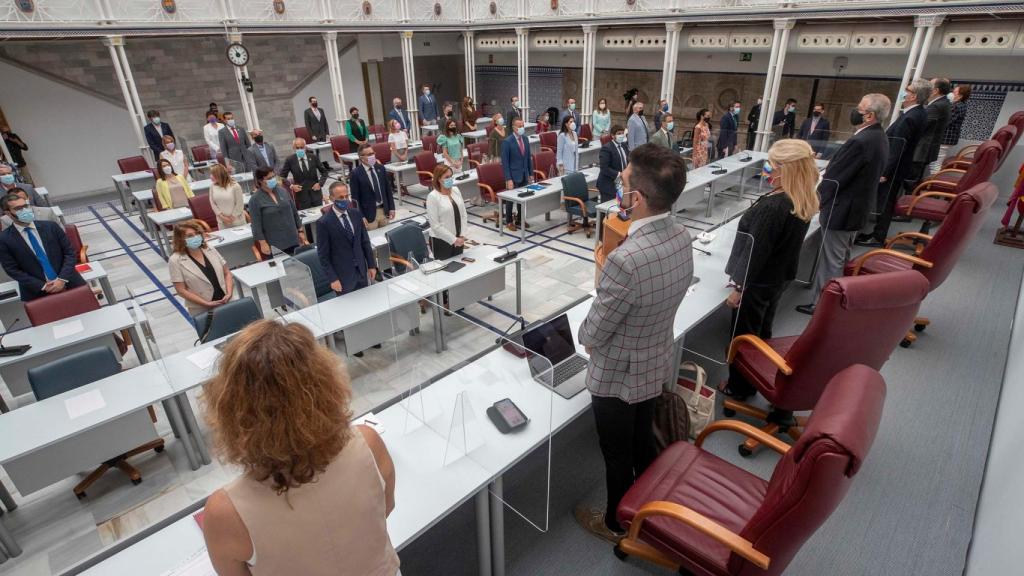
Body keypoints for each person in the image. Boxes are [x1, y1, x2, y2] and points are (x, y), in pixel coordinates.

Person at [201, 320, 399, 576]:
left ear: (230, 409)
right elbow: (385, 509)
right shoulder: (369, 443)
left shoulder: (225, 512)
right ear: (327, 383)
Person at [574, 143, 693, 542]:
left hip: (618, 377)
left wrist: (604, 276)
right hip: (653, 361)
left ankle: (615, 523)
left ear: (636, 198)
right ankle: (647, 507)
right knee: (642, 442)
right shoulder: (681, 235)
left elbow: (591, 333)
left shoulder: (627, 260)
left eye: (623, 180)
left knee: (616, 454)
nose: (618, 183)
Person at [720, 139, 819, 398]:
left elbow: (757, 253)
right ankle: (754, 377)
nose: (767, 168)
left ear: (785, 169)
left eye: (772, 164)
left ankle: (739, 388)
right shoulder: (801, 197)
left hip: (756, 283)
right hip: (777, 279)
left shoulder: (774, 207)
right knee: (762, 330)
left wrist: (739, 288)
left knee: (743, 337)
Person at [795, 93, 890, 315]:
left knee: (831, 260)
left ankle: (823, 306)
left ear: (869, 115)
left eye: (859, 108)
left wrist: (815, 201)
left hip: (843, 210)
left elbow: (835, 179)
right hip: (857, 208)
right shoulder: (878, 136)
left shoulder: (860, 141)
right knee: (841, 255)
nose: (854, 111)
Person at [856, 79, 929, 246]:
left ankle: (878, 236)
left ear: (913, 96)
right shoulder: (916, 113)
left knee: (885, 203)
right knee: (885, 202)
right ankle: (875, 233)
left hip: (893, 170)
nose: (904, 92)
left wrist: (884, 172)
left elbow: (897, 147)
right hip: (898, 167)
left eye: (907, 90)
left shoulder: (911, 116)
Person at [0, 192, 85, 301]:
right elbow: (12, 269)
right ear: (8, 213)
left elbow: (70, 253)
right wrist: (43, 286)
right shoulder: (4, 239)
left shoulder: (51, 227)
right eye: (18, 208)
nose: (25, 210)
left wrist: (62, 279)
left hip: (69, 281)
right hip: (37, 291)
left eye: (26, 206)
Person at [316, 182, 377, 296]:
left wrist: (371, 265)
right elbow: (323, 255)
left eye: (347, 196)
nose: (345, 200)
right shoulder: (323, 223)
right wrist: (333, 279)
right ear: (331, 198)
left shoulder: (356, 214)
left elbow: (365, 242)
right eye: (341, 197)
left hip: (362, 271)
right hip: (342, 276)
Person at [168, 219, 233, 316]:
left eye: (197, 233)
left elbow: (227, 273)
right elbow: (181, 290)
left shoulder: (210, 249)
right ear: (180, 239)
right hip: (202, 309)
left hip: (226, 301)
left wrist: (229, 293)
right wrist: (206, 303)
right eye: (190, 236)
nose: (195, 237)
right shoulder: (175, 260)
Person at [249, 166, 305, 257]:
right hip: (274, 243)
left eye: (273, 176)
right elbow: (256, 224)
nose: (273, 179)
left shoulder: (283, 191)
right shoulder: (255, 200)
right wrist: (262, 243)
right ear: (260, 181)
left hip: (292, 238)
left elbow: (294, 212)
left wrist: (300, 231)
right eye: (269, 178)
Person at [911, 77, 953, 180]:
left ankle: (910, 195)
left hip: (923, 148)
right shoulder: (943, 103)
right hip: (927, 147)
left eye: (929, 86)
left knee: (912, 178)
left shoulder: (937, 106)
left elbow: (923, 125)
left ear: (935, 91)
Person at [426, 164, 470, 260]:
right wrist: (453, 240)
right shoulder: (433, 197)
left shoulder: (456, 190)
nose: (450, 179)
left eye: (451, 176)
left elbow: (463, 215)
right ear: (438, 179)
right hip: (441, 241)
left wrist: (462, 235)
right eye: (446, 177)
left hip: (459, 238)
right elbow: (435, 225)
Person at [349, 145, 396, 231]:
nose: (372, 156)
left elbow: (387, 190)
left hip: (384, 211)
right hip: (369, 215)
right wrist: (361, 216)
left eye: (373, 153)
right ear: (361, 157)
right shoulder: (355, 174)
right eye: (369, 154)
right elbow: (355, 199)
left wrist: (392, 208)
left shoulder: (380, 168)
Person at [500, 118, 532, 231]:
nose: (521, 128)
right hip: (513, 176)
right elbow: (505, 163)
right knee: (510, 200)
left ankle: (519, 219)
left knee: (522, 198)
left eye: (522, 125)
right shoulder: (507, 142)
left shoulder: (525, 139)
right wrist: (508, 179)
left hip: (524, 174)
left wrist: (530, 173)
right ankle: (509, 221)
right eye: (519, 126)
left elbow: (528, 158)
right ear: (514, 127)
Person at [280, 138, 327, 211]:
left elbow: (324, 172)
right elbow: (282, 177)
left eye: (301, 147)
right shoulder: (290, 160)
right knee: (306, 219)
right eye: (297, 148)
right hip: (302, 195)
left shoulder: (313, 157)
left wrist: (320, 183)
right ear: (294, 148)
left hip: (316, 193)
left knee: (319, 215)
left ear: (305, 147)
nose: (300, 149)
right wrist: (291, 186)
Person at [597, 125, 629, 202]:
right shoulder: (606, 148)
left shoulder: (624, 145)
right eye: (619, 133)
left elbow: (628, 161)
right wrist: (619, 174)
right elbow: (604, 168)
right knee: (608, 210)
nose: (621, 135)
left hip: (621, 184)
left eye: (622, 133)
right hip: (608, 185)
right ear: (612, 135)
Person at [209, 164, 246, 230]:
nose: (210, 177)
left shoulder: (235, 186)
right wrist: (222, 217)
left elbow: (239, 204)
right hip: (222, 223)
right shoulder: (212, 186)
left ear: (219, 175)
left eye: (213, 174)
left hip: (237, 222)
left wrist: (231, 218)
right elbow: (212, 203)